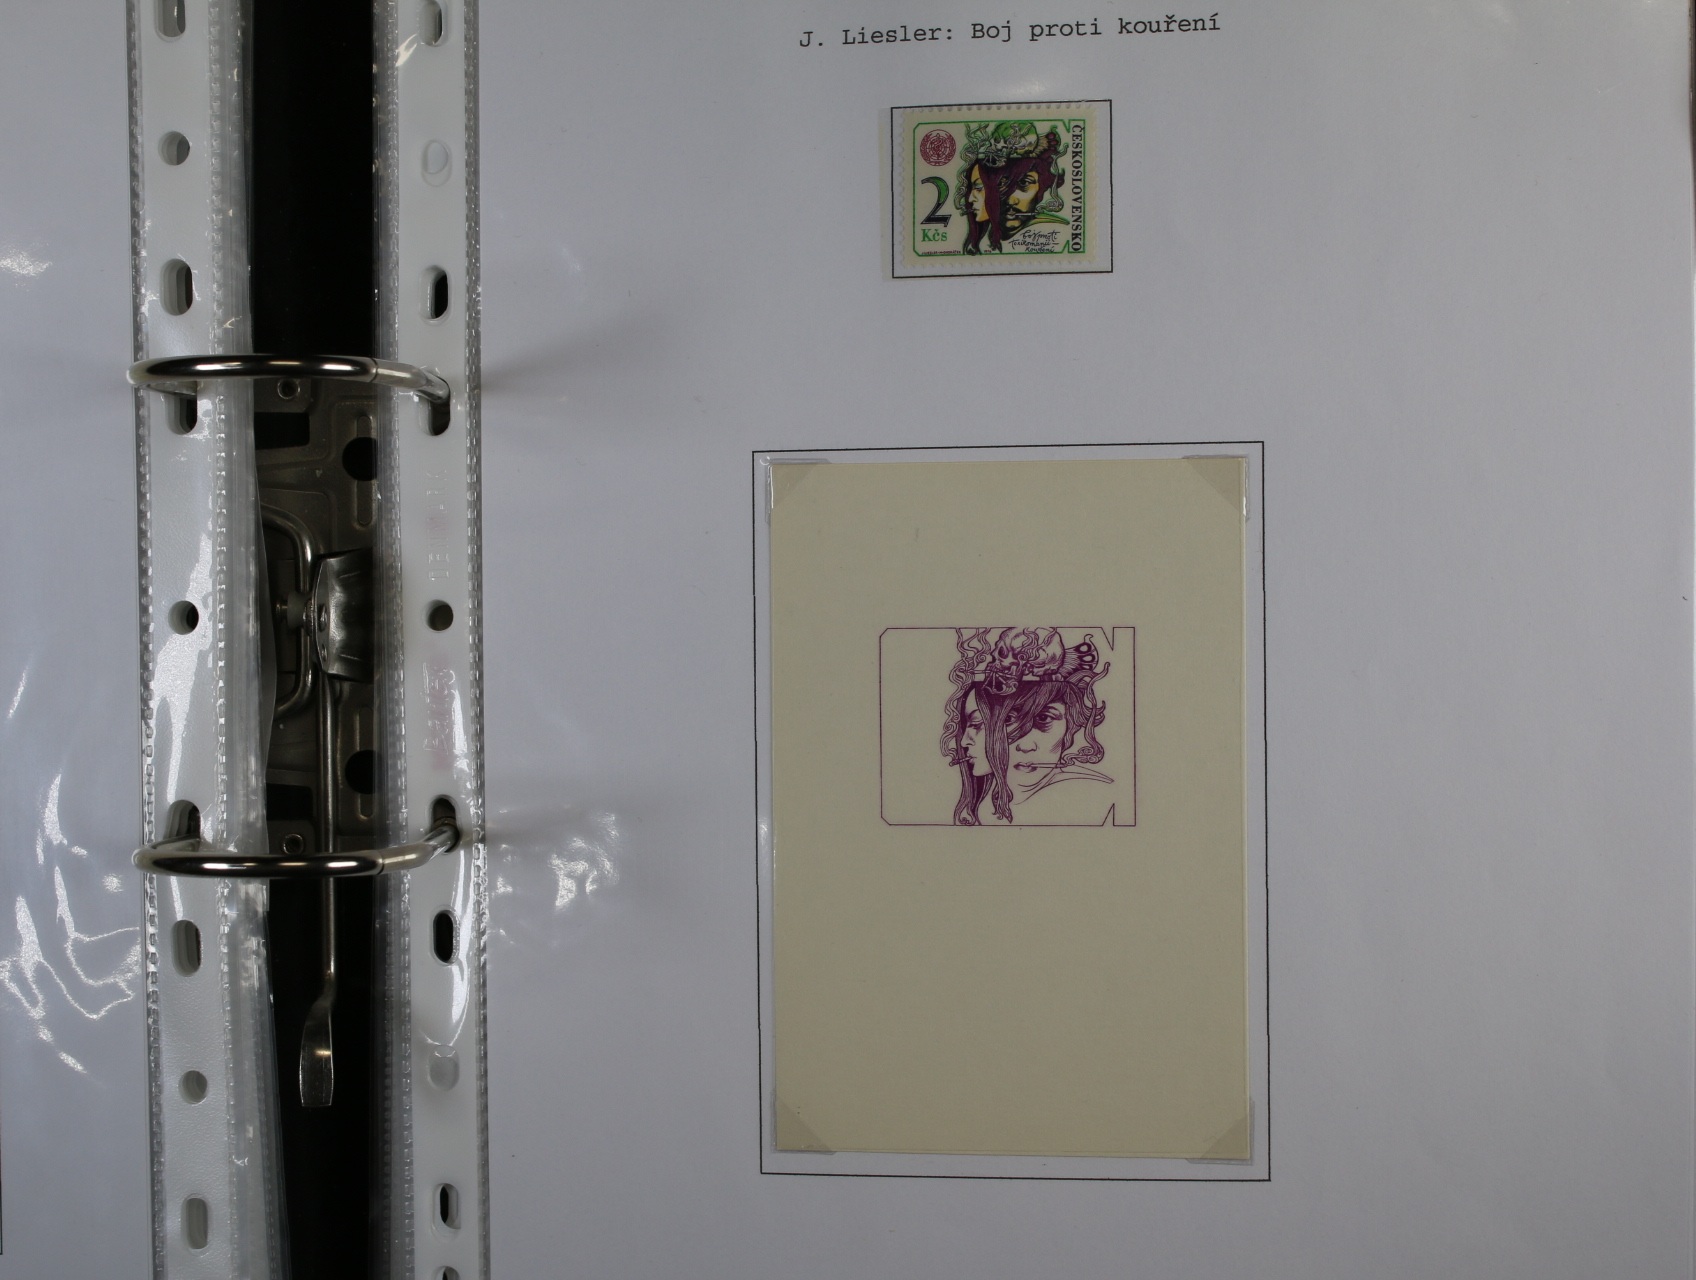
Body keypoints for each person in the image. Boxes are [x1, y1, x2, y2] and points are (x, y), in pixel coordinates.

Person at [941, 628, 1110, 825]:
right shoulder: (982, 805)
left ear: (1071, 725)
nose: (1026, 746)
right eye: (974, 724)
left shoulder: (1093, 797)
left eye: (1044, 719)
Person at [956, 121, 1068, 255]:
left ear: (1042, 188)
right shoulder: (988, 238)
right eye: (1000, 185)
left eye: (1024, 184)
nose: (1010, 200)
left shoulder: (1053, 229)